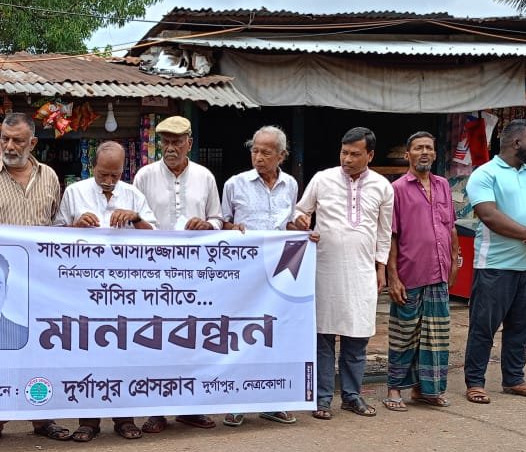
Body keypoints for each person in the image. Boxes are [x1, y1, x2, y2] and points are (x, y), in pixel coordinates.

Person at [0, 112, 72, 445]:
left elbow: (58, 228)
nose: (9, 146)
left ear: (33, 143)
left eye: (18, 141)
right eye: (4, 139)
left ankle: (42, 419)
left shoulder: (50, 177)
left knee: (41, 352)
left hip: (41, 285)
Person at [54, 141, 155, 441]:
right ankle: (89, 421)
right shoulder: (75, 192)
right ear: (92, 167)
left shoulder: (133, 195)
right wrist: (75, 226)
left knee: (123, 354)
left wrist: (136, 218)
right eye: (103, 174)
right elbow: (53, 235)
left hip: (125, 290)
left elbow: (157, 238)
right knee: (88, 354)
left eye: (115, 175)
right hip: (84, 289)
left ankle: (124, 419)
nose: (109, 181)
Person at [292, 127, 393, 420]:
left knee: (357, 336)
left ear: (370, 155)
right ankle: (322, 399)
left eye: (355, 154)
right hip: (324, 269)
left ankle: (352, 396)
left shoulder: (382, 187)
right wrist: (301, 222)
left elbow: (384, 232)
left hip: (362, 272)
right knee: (323, 337)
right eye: (344, 152)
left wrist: (381, 267)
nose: (347, 159)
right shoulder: (322, 179)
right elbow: (300, 211)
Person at [133, 114, 223, 432]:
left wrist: (207, 225)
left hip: (195, 275)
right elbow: (136, 219)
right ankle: (157, 410)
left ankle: (190, 408)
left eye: (177, 141)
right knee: (156, 341)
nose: (171, 148)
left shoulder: (204, 177)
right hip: (154, 274)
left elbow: (218, 219)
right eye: (166, 142)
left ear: (189, 143)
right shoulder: (144, 176)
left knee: (192, 339)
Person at [462, 119, 526, 404]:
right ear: (517, 143)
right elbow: (488, 215)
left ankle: (514, 379)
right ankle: (475, 382)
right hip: (495, 266)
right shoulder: (485, 174)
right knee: (483, 327)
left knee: (522, 326)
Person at [220, 126, 299, 427]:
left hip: (279, 274)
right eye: (255, 150)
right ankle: (237, 402)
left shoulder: (290, 185)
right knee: (241, 335)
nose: (259, 157)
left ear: (281, 155)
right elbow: (221, 223)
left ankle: (273, 401)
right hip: (243, 274)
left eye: (266, 152)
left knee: (276, 335)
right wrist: (231, 230)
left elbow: (289, 225)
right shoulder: (235, 184)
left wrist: (303, 230)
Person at [383, 131, 459, 411]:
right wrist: (393, 276)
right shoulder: (398, 189)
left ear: (435, 154)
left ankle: (425, 390)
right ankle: (394, 390)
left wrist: (454, 261)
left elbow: (449, 227)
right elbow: (391, 235)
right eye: (418, 148)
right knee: (404, 335)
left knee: (436, 337)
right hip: (409, 273)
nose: (424, 152)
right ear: (408, 155)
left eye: (429, 148)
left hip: (438, 272)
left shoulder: (443, 186)